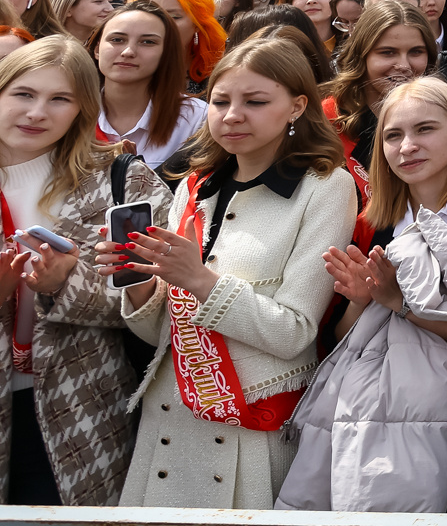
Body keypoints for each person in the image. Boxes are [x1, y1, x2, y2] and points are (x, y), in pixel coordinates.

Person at [105, 35, 359, 508]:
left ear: (297, 106)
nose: (233, 114)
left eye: (255, 101)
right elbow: (160, 332)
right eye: (220, 101)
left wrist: (199, 279)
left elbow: (294, 333)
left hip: (253, 420)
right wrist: (140, 282)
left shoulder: (326, 186)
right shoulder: (197, 184)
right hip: (170, 414)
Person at [317, 77, 447, 514]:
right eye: (393, 135)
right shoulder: (372, 222)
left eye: (425, 129)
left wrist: (400, 304)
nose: (407, 146)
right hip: (383, 419)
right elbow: (340, 341)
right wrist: (361, 299)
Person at [0, 38, 172, 504]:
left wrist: (65, 283)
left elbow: (164, 295)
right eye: (23, 94)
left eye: (60, 99)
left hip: (85, 401)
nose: (37, 112)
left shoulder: (124, 179)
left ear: (83, 109)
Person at [93, 0, 207, 164]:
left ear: (166, 53)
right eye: (117, 39)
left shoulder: (197, 119)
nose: (128, 52)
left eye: (148, 42)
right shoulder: (72, 111)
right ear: (97, 49)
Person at [326, 2, 437, 169]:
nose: (404, 65)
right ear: (361, 56)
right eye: (388, 52)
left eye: (416, 52)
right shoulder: (326, 120)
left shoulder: (440, 114)